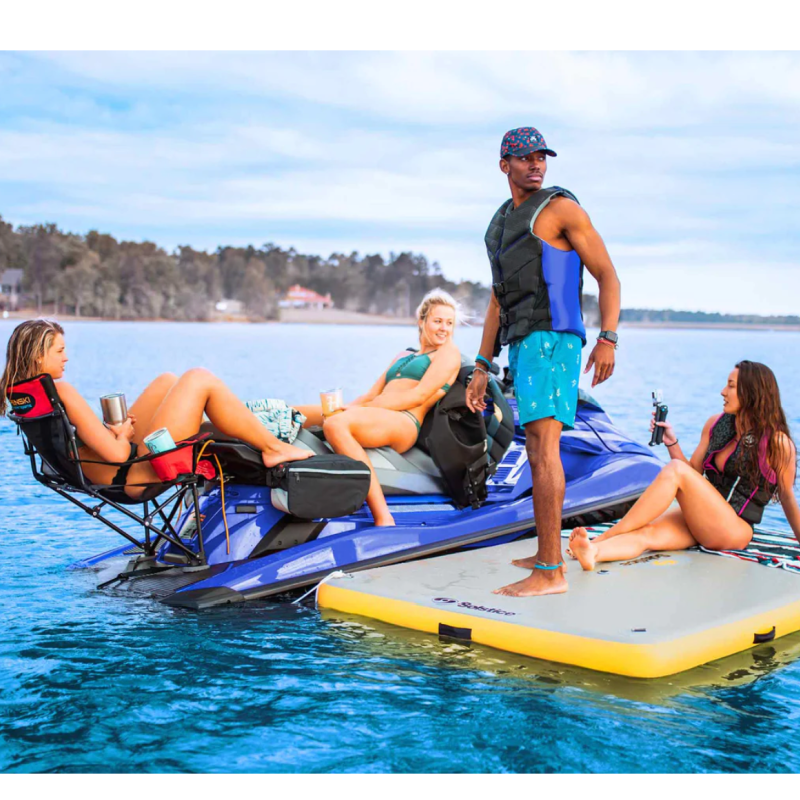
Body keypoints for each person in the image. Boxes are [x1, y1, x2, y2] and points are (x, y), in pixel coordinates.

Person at [465, 126, 621, 597]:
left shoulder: (560, 209)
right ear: (504, 165)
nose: (536, 164)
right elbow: (498, 301)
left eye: (541, 157)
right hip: (524, 342)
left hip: (555, 339)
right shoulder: (499, 225)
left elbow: (608, 274)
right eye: (525, 158)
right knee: (535, 449)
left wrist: (608, 337)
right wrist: (481, 365)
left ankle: (551, 571)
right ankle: (544, 552)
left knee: (543, 446)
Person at [0, 319, 312, 497]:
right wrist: (120, 435)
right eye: (60, 350)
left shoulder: (24, 395)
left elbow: (79, 447)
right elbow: (118, 455)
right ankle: (272, 446)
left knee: (167, 381)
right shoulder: (62, 392)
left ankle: (229, 422)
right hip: (132, 476)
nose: (66, 358)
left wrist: (115, 435)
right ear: (38, 355)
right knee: (199, 378)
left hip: (113, 472)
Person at [568, 361, 800, 570]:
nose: (723, 391)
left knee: (674, 472)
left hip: (734, 529)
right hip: (705, 519)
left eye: (731, 386)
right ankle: (594, 553)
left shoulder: (777, 444)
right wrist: (672, 442)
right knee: (648, 534)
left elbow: (788, 498)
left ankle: (608, 535)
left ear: (752, 393)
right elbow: (694, 473)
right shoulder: (716, 424)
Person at [296, 290, 461, 527]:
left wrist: (359, 410)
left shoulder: (448, 353)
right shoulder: (404, 355)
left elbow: (419, 395)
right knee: (297, 412)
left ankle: (383, 516)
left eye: (449, 323)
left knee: (335, 424)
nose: (444, 328)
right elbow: (372, 394)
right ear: (422, 321)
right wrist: (349, 406)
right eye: (438, 321)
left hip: (404, 421)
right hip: (377, 413)